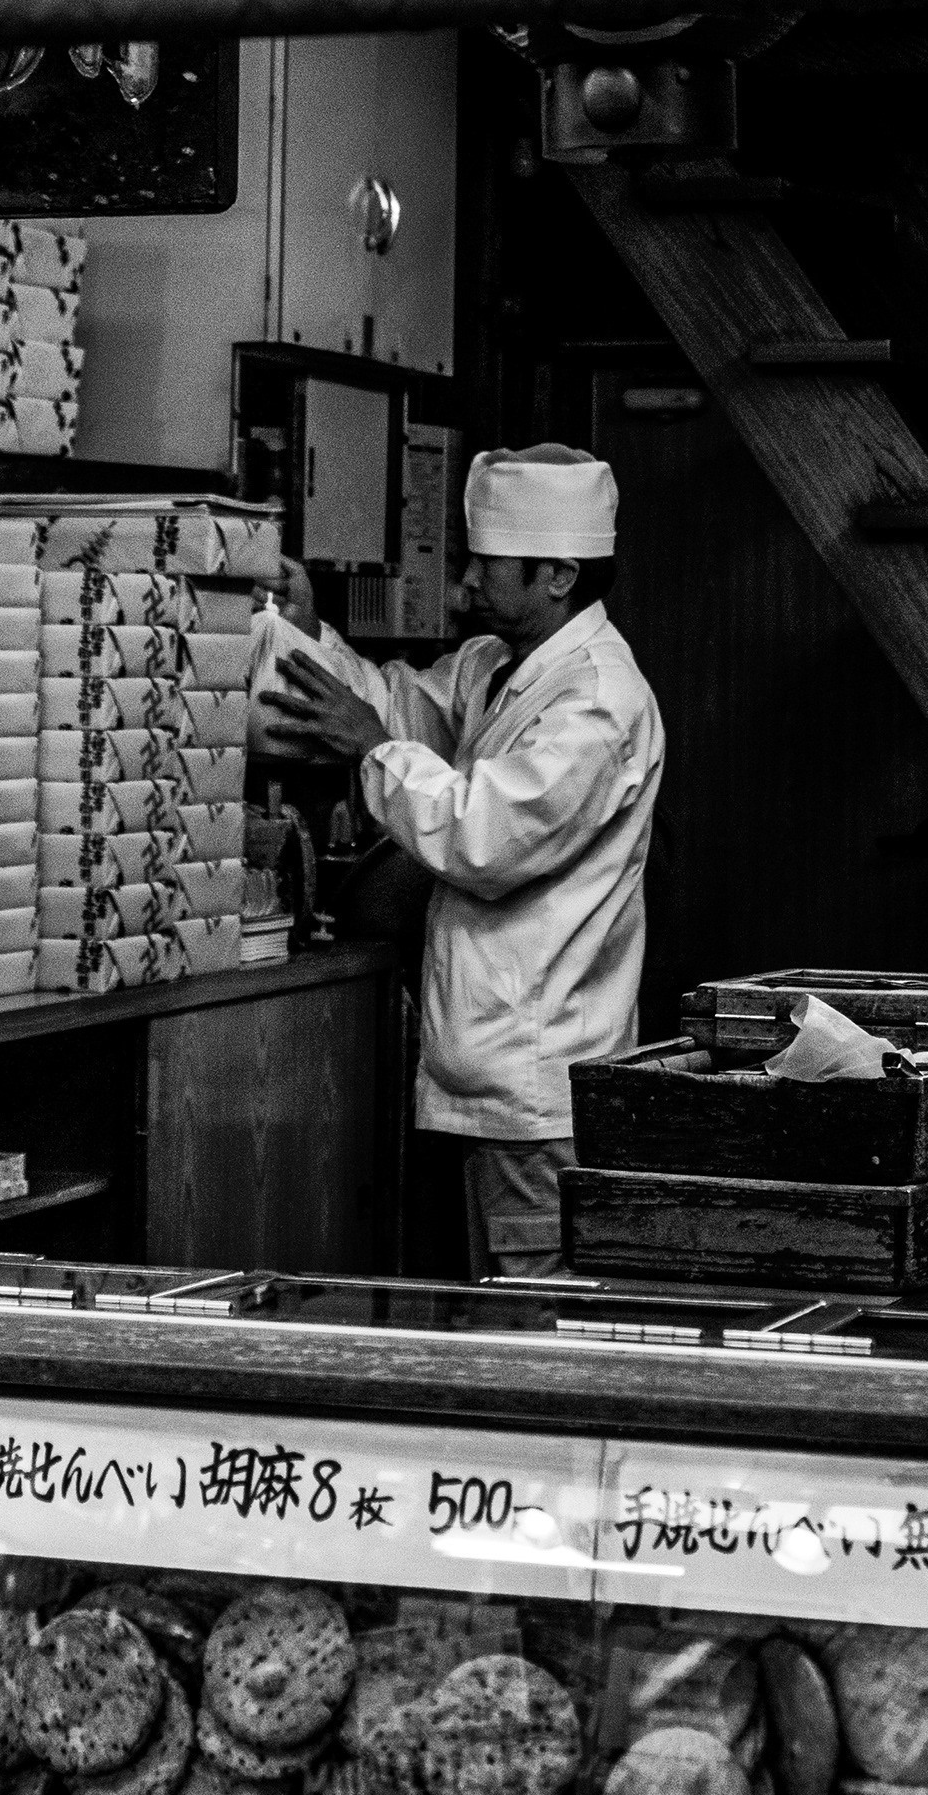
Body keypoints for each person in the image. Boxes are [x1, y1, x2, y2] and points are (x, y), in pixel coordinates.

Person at [256, 444, 665, 1279]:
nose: (463, 585)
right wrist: (301, 632)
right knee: (499, 1310)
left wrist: (375, 751)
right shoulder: (494, 665)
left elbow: (484, 838)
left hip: (535, 1085)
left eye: (486, 565)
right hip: (487, 1076)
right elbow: (396, 708)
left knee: (537, 1325)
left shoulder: (598, 701)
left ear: (558, 574)